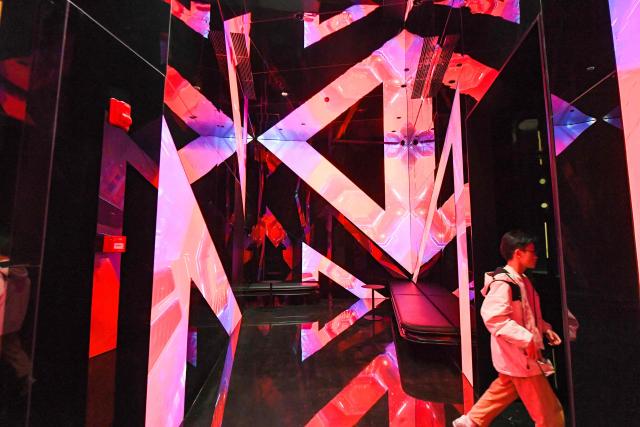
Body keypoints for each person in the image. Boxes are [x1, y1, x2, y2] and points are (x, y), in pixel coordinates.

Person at [453, 230, 564, 427]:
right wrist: (526, 338)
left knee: (503, 390)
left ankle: (470, 422)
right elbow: (494, 318)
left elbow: (529, 315)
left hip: (519, 356)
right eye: (532, 251)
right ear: (518, 253)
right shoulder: (505, 283)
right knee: (550, 415)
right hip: (521, 357)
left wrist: (545, 329)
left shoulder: (521, 281)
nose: (536, 255)